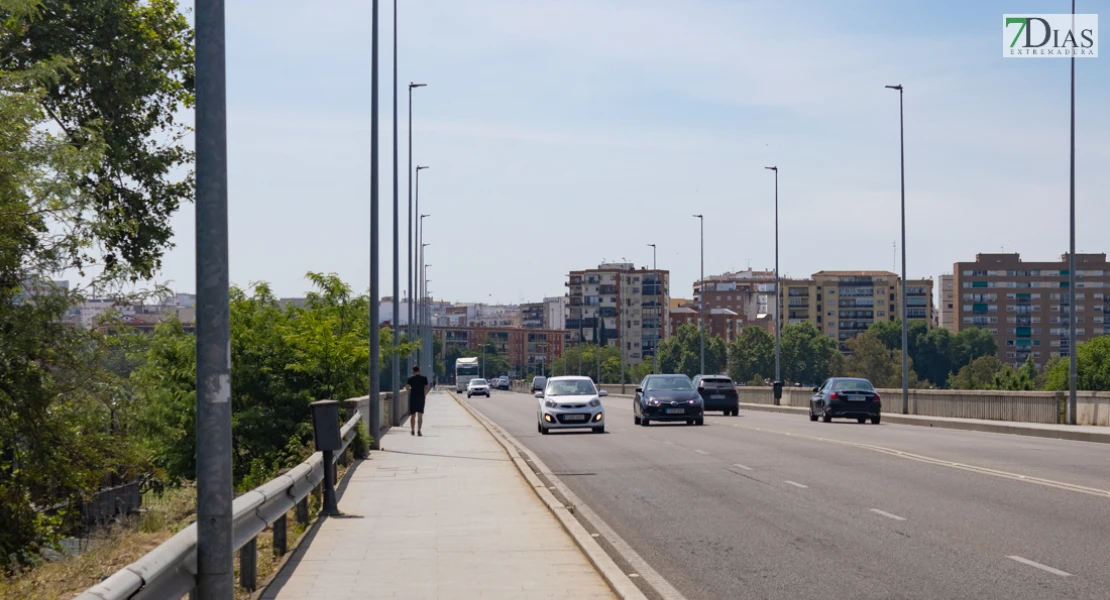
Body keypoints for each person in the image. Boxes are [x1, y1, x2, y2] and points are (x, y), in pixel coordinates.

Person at [405, 365, 430, 436]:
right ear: (419, 370)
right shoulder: (424, 378)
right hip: (421, 398)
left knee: (413, 415)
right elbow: (426, 388)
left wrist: (412, 389)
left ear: (413, 371)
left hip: (413, 398)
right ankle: (419, 431)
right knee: (420, 415)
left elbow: (407, 388)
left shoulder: (410, 378)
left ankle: (412, 430)